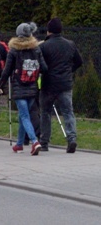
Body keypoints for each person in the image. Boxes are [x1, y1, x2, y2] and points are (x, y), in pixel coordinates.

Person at [0, 22, 48, 155]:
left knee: (24, 116)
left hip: (19, 88)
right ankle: (19, 144)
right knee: (23, 116)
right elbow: (44, 68)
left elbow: (7, 70)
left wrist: (0, 84)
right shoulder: (36, 49)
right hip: (32, 87)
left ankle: (34, 142)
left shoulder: (14, 50)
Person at [39, 17, 83, 153]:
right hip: (65, 83)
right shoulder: (70, 44)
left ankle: (44, 142)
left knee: (45, 112)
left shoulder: (44, 46)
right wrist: (69, 71)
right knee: (68, 112)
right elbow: (79, 61)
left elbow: (41, 66)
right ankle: (72, 139)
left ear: (49, 31)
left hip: (48, 84)